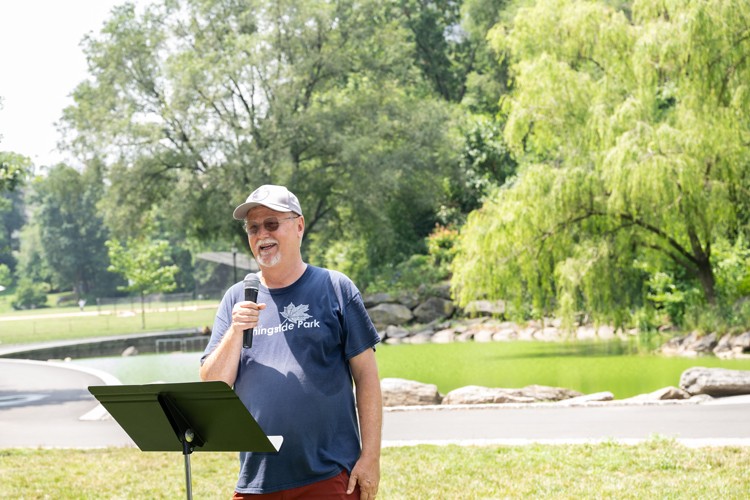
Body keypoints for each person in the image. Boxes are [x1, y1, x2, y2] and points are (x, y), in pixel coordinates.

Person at [200, 184, 382, 499]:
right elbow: (211, 386)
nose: (261, 235)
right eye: (253, 228)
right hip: (257, 481)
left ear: (299, 226)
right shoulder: (236, 299)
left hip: (329, 475)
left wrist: (371, 458)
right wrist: (235, 330)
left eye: (272, 224)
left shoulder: (335, 287)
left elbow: (367, 377)